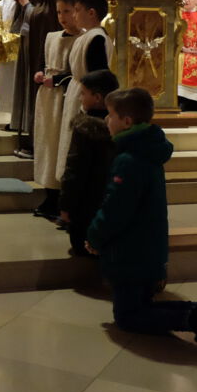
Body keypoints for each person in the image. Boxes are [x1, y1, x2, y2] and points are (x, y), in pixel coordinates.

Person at [86, 88, 197, 352]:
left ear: (126, 122)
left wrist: (94, 237)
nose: (106, 121)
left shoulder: (129, 160)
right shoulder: (148, 151)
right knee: (142, 306)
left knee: (128, 317)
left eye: (110, 115)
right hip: (148, 249)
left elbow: (115, 210)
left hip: (130, 252)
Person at [60, 69, 120, 256]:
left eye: (83, 93)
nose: (80, 98)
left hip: (85, 206)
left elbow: (74, 169)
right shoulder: (122, 126)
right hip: (111, 207)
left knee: (82, 245)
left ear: (97, 97)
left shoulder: (85, 128)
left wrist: (66, 205)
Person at [9, 0, 65, 158]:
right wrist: (24, 4)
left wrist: (25, 4)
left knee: (41, 99)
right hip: (29, 53)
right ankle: (30, 138)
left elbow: (43, 22)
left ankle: (38, 144)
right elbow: (23, 26)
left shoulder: (54, 0)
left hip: (43, 56)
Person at [32, 0, 81, 219]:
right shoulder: (52, 36)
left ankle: (62, 199)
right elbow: (45, 61)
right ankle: (48, 195)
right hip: (47, 97)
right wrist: (41, 72)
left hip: (67, 96)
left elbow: (79, 71)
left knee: (62, 147)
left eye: (67, 12)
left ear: (77, 12)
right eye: (59, 12)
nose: (62, 16)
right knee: (47, 145)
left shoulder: (83, 39)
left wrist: (59, 79)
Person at [57, 0, 111, 182]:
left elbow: (97, 74)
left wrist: (90, 101)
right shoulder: (87, 36)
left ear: (91, 13)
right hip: (78, 91)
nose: (74, 15)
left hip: (86, 95)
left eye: (77, 10)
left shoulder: (97, 38)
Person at [0, 0, 28, 119]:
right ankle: (11, 116)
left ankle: (20, 116)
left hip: (24, 45)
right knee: (6, 81)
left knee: (21, 81)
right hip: (8, 44)